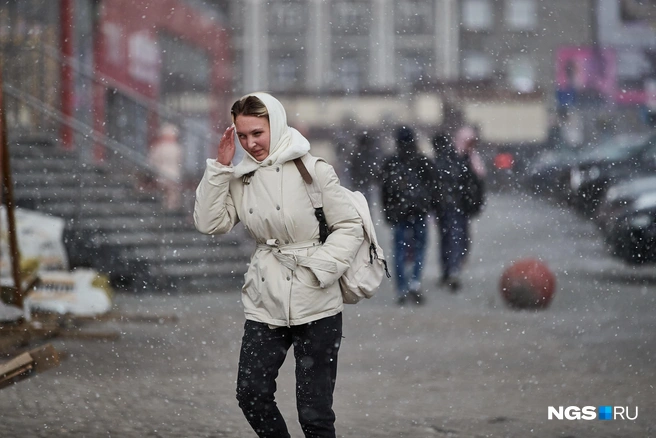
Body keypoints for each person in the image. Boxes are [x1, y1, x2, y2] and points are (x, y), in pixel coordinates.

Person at [194, 92, 363, 438]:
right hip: (265, 300)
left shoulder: (313, 170)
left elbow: (350, 226)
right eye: (242, 136)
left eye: (257, 133)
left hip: (316, 300)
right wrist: (221, 169)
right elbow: (210, 223)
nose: (250, 143)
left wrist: (321, 268)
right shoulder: (241, 178)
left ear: (277, 124)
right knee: (251, 394)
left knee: (314, 414)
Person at [380, 126, 433, 306]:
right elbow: (433, 186)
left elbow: (384, 190)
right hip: (419, 211)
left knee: (399, 251)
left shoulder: (391, 162)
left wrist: (387, 211)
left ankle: (401, 288)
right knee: (419, 248)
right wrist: (429, 205)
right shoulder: (422, 161)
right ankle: (415, 283)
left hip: (399, 212)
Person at [432, 126, 486, 291]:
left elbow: (476, 181)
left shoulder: (469, 158)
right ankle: (451, 270)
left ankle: (450, 270)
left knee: (454, 239)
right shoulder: (455, 157)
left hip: (458, 206)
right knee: (453, 238)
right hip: (452, 206)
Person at [147, 123, 183, 211]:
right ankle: (171, 207)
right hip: (173, 173)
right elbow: (179, 161)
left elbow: (152, 161)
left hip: (162, 173)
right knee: (172, 192)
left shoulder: (158, 147)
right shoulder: (177, 148)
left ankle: (167, 207)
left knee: (166, 191)